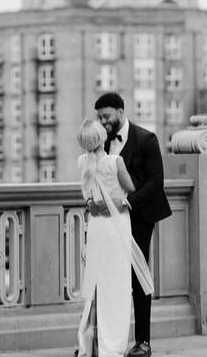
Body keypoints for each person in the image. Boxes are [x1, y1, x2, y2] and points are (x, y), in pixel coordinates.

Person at [92, 92, 172, 357]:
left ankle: (143, 342)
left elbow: (156, 182)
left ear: (121, 112)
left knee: (138, 275)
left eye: (107, 116)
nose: (103, 122)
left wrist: (128, 203)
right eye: (99, 117)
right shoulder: (100, 142)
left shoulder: (146, 139)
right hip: (108, 219)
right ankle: (104, 341)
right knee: (108, 276)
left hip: (139, 216)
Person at [74, 118, 153, 357]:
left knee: (97, 284)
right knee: (117, 286)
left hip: (96, 227)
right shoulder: (115, 161)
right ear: (101, 137)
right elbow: (130, 187)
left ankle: (91, 343)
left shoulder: (82, 163)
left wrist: (91, 203)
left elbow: (86, 195)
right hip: (117, 225)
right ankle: (112, 344)